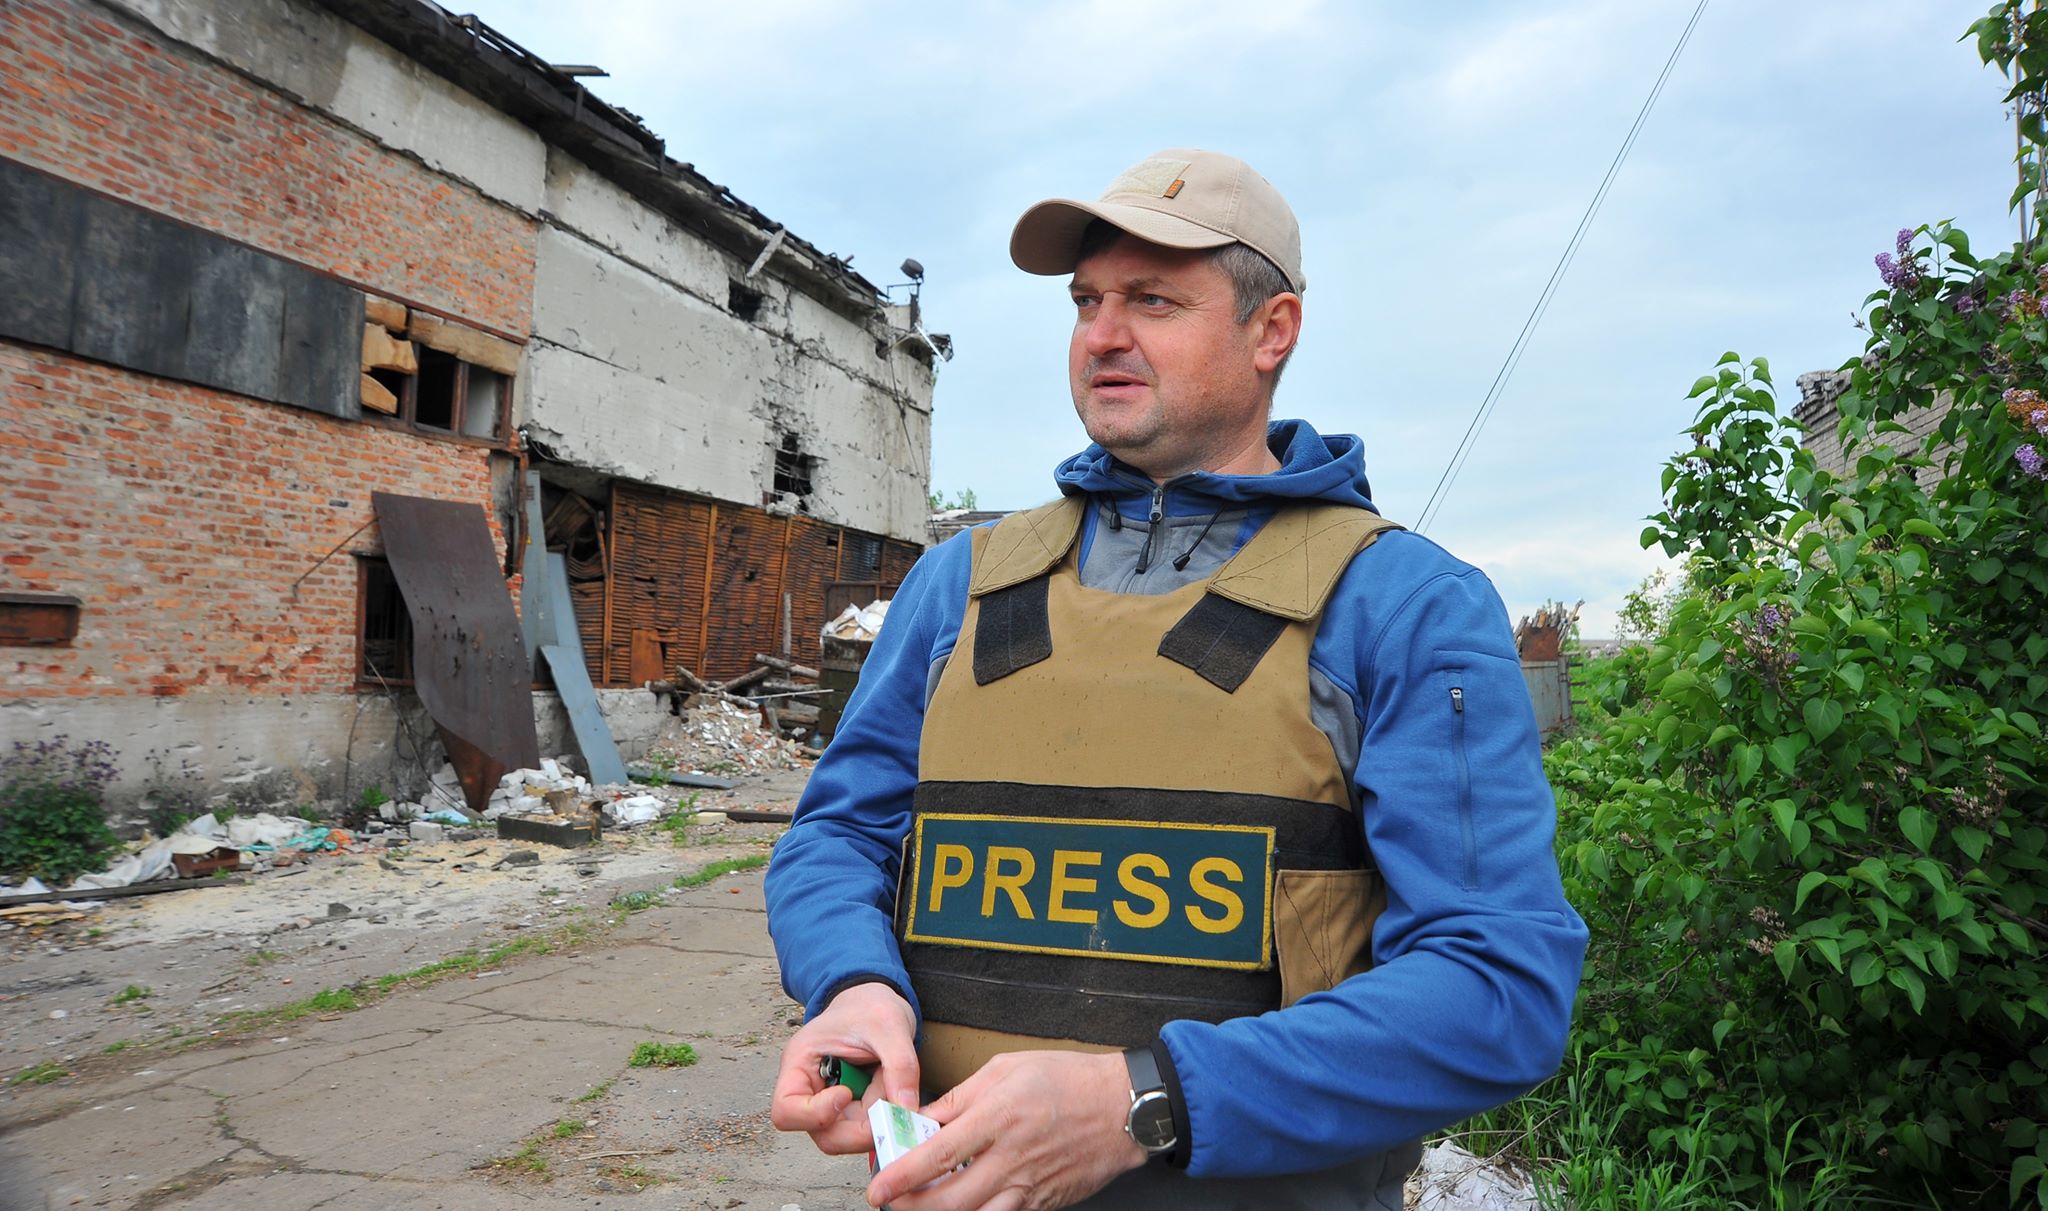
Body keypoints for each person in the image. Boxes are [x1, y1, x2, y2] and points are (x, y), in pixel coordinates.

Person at [765, 148, 1587, 1211]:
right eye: (1086, 301)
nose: (1101, 335)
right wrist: (853, 982)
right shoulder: (960, 584)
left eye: (1152, 300)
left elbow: (1497, 984)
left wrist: (1144, 1098)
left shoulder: (1401, 604)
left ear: (1271, 330)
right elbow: (838, 834)